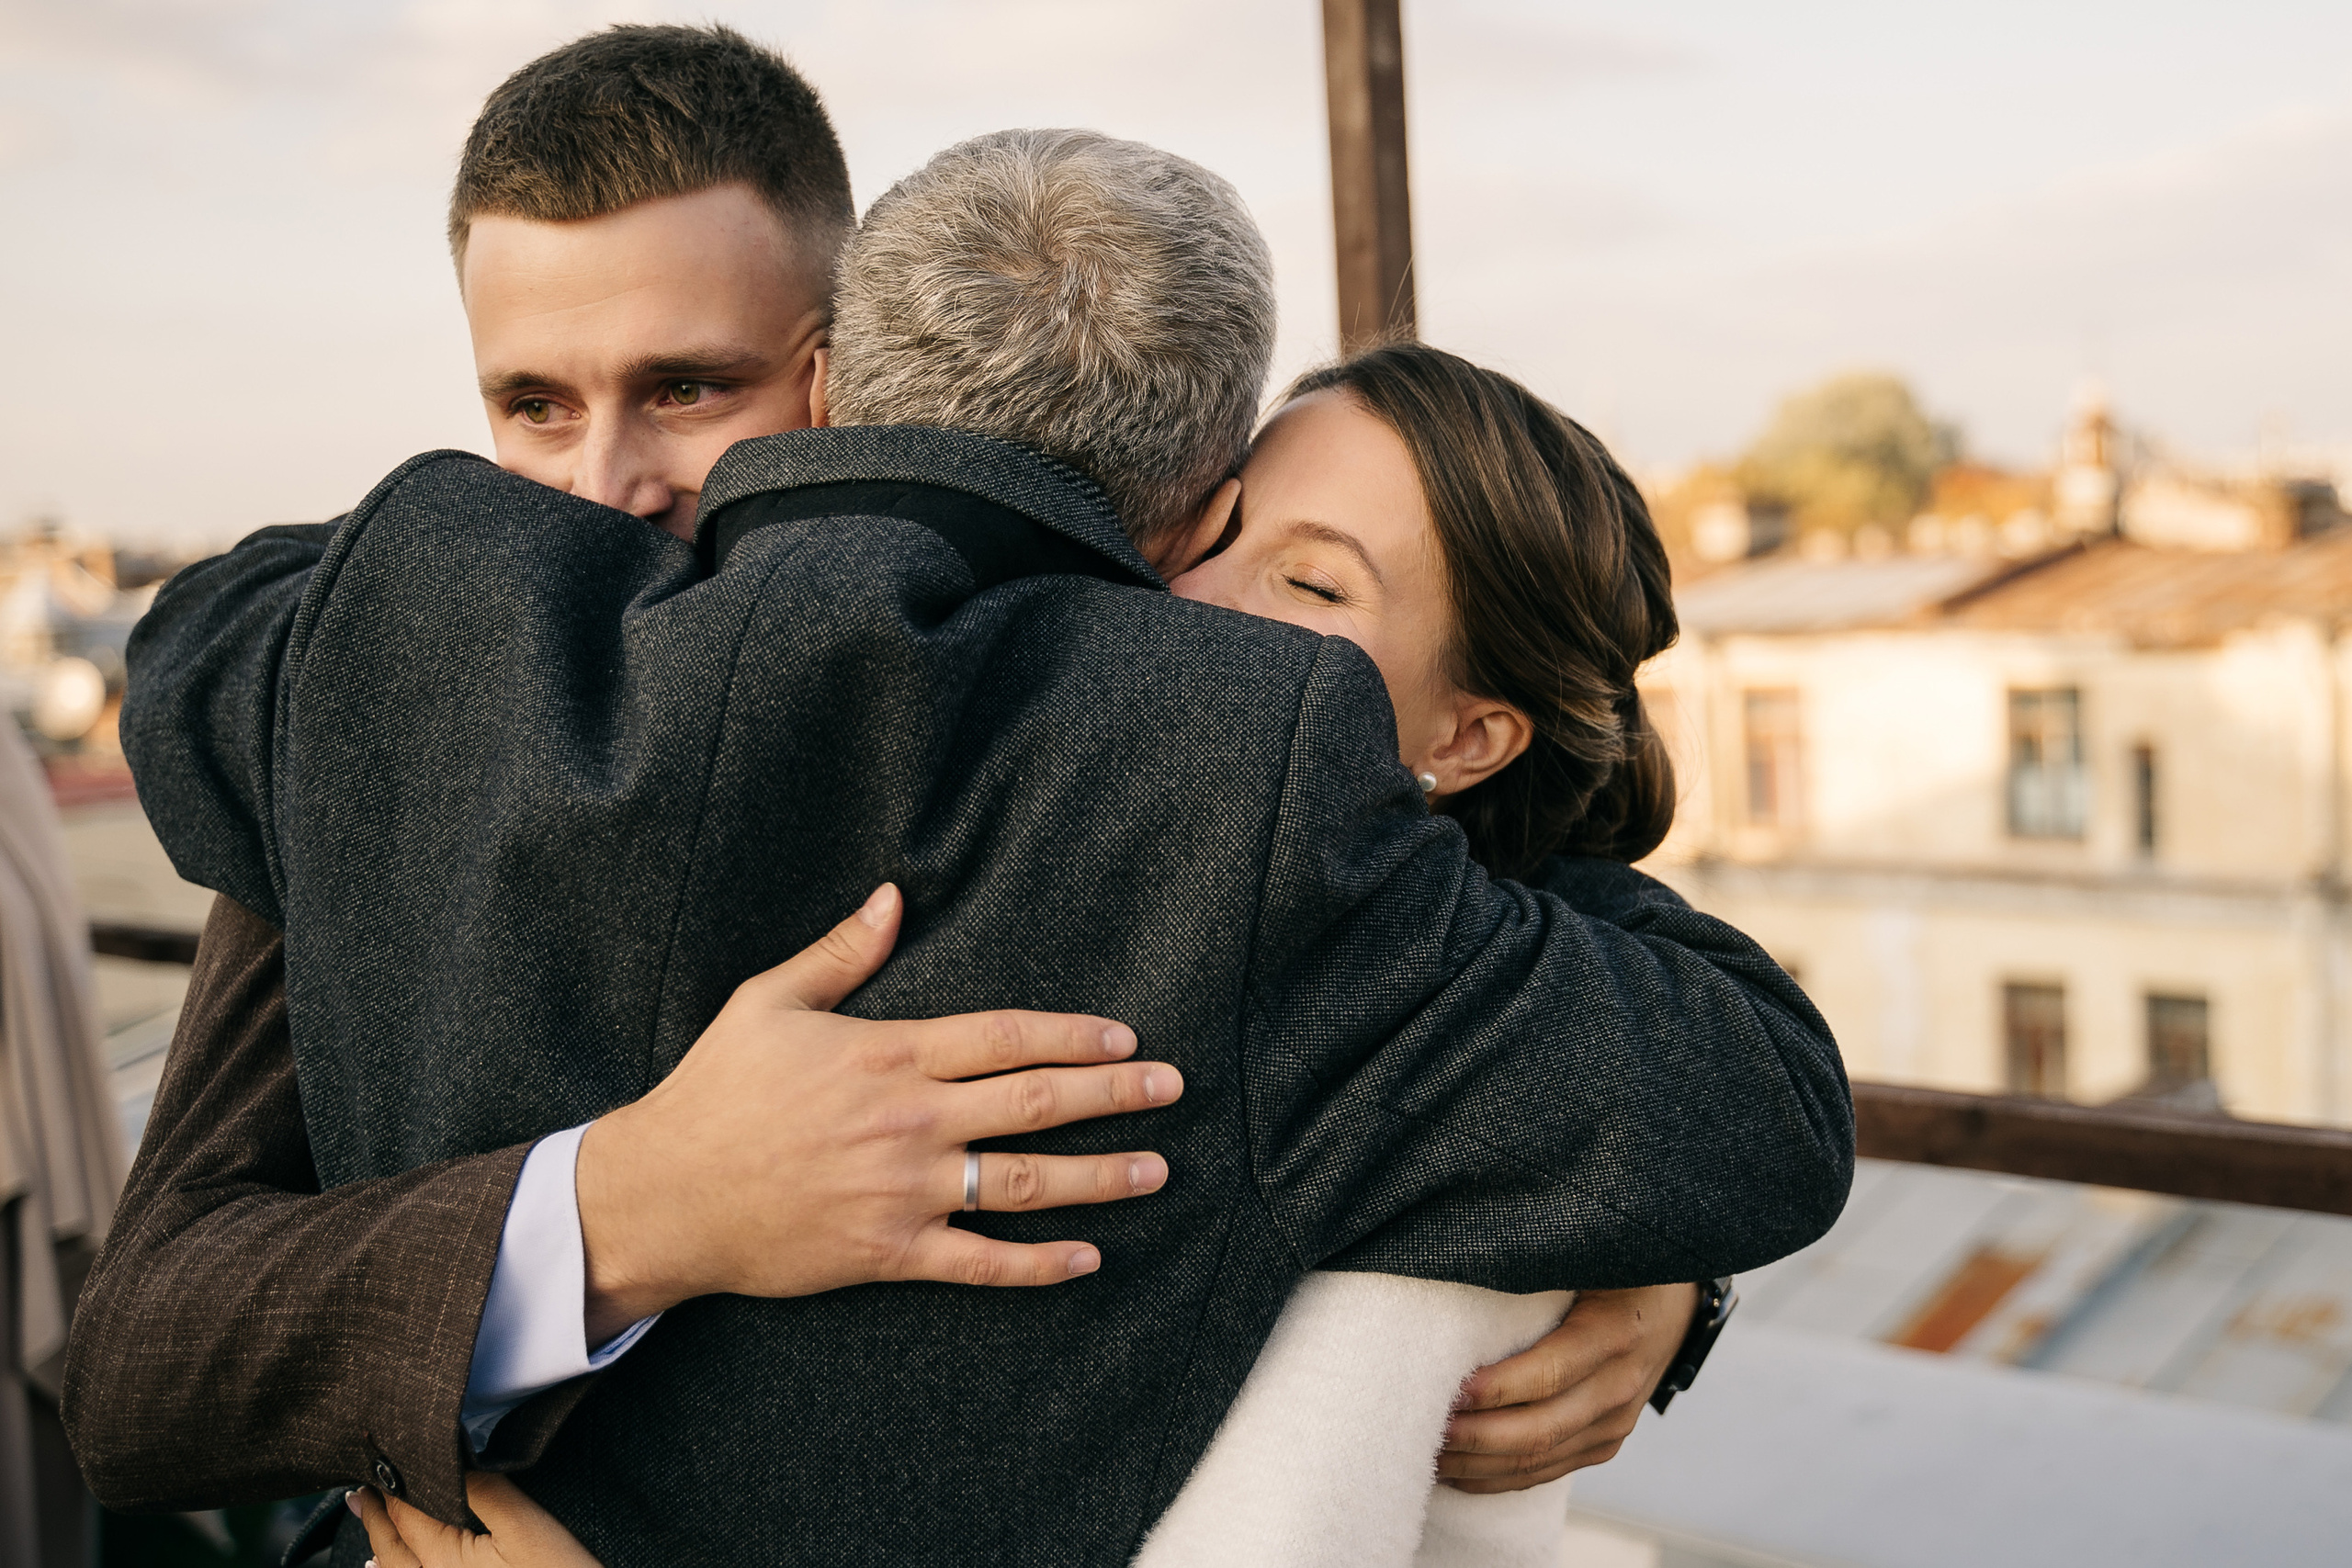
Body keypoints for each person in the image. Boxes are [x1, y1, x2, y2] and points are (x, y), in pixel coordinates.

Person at [96, 107, 1850, 1564]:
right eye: (532, 405)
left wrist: (1645, 1265)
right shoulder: (398, 675)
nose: (605, 488)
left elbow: (194, 648)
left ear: (828, 379)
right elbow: (151, 1361)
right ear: (1181, 499)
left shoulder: (378, 633)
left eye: (692, 390)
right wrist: (631, 1206)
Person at [351, 341, 1765, 1568]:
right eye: (1213, 527)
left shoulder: (1389, 1015)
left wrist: (1658, 1253)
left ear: (1469, 739)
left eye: (1308, 584)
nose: (1186, 598)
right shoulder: (1014, 780)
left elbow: (1756, 1078)